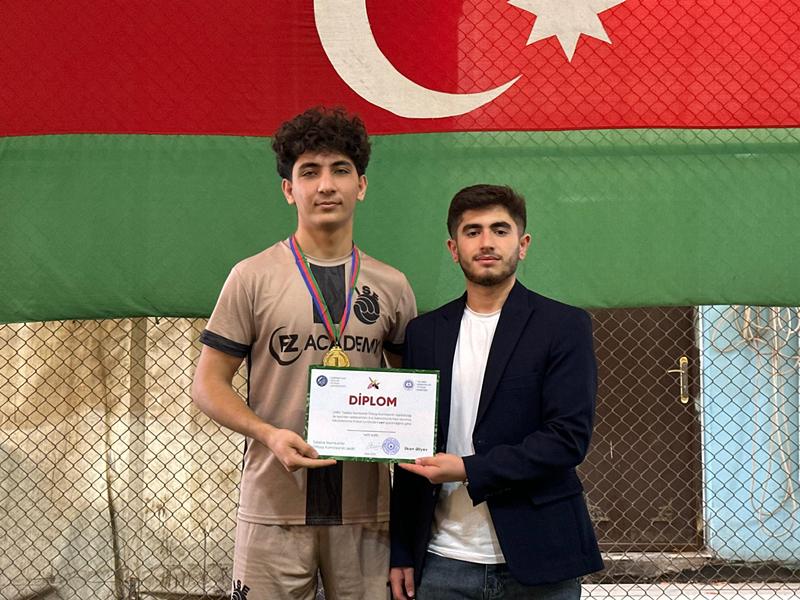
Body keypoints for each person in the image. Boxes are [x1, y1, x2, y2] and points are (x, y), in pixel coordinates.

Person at [192, 106, 416, 600]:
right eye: (309, 172)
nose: (326, 185)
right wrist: (267, 433)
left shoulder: (392, 285)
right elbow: (207, 385)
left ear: (362, 185)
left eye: (340, 170)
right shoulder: (252, 277)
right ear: (289, 189)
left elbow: (413, 403)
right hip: (274, 505)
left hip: (366, 514)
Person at [389, 184, 603, 599]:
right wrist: (401, 551)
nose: (486, 242)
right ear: (454, 249)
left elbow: (567, 439)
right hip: (441, 560)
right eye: (472, 231)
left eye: (500, 230)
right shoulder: (424, 333)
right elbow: (411, 448)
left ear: (523, 244)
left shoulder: (563, 326)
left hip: (540, 557)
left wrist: (468, 469)